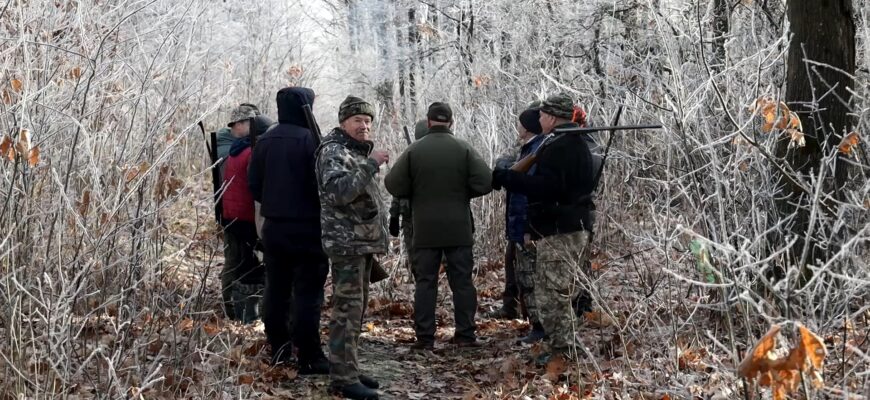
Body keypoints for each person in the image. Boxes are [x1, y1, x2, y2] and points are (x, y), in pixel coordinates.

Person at [492, 93, 596, 364]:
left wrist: (511, 180)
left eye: (541, 115)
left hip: (562, 229)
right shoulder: (569, 143)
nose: (538, 120)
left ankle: (564, 352)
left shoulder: (561, 147)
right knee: (557, 291)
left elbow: (549, 188)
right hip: (569, 226)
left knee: (552, 294)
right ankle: (561, 347)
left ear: (551, 116)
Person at [385, 102, 492, 351]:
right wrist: (463, 192)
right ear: (451, 122)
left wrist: (416, 190)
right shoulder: (463, 148)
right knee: (463, 282)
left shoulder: (414, 150)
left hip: (424, 229)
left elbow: (393, 184)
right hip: (458, 228)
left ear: (429, 121)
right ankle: (465, 335)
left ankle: (425, 339)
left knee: (426, 283)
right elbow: (485, 182)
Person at [247, 88, 329, 373]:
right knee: (308, 294)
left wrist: (274, 202)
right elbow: (323, 188)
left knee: (277, 290)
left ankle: (279, 350)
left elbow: (254, 186)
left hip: (274, 229)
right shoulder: (311, 140)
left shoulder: (264, 140)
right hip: (308, 229)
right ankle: (310, 355)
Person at [316, 96, 387, 400]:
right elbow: (338, 192)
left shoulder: (352, 151)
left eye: (368, 121)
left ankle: (349, 369)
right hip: (346, 243)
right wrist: (371, 164)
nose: (364, 126)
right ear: (343, 122)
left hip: (361, 243)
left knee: (355, 311)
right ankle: (343, 378)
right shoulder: (334, 152)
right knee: (346, 311)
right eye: (358, 120)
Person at [220, 103, 272, 322]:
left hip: (233, 216)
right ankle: (238, 312)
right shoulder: (250, 150)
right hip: (246, 218)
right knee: (243, 265)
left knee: (237, 262)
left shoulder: (236, 148)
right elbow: (258, 187)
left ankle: (236, 309)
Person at [387, 120, 429, 280]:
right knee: (419, 263)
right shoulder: (408, 159)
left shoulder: (408, 158)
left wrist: (394, 216)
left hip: (413, 219)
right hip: (412, 218)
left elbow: (397, 190)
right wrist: (394, 217)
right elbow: (399, 190)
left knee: (419, 262)